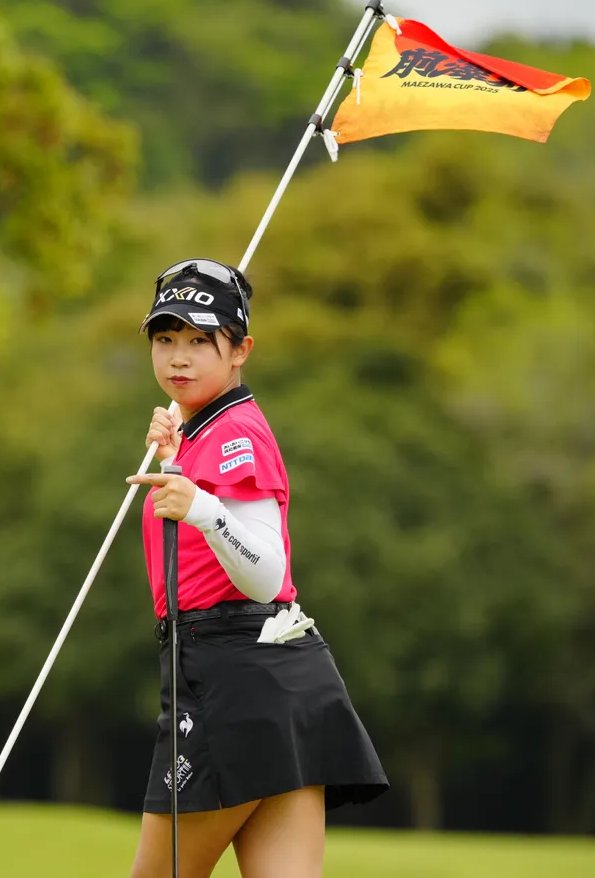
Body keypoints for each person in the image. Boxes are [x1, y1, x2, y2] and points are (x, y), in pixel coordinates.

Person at [124, 259, 388, 878]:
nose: (178, 357)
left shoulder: (235, 433)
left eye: (200, 341)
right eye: (166, 339)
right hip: (280, 679)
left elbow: (266, 575)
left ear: (241, 350)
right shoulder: (204, 430)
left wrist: (202, 507)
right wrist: (177, 457)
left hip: (229, 681)